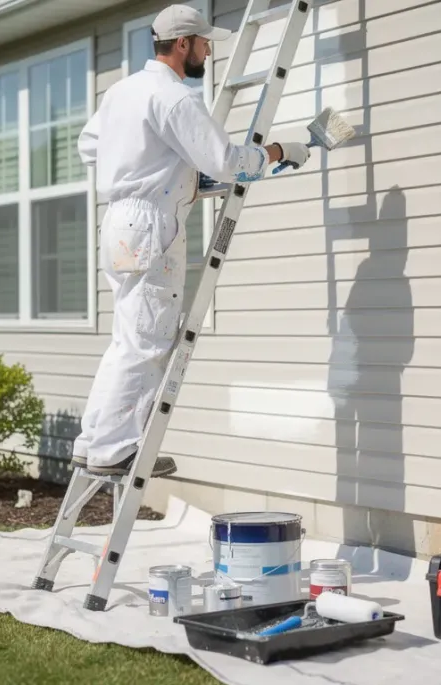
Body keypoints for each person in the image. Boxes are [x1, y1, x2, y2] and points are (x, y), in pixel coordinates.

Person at [70, 4, 310, 477]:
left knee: (127, 336)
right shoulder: (175, 98)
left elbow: (89, 146)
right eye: (202, 43)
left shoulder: (122, 92)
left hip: (118, 223)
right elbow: (225, 161)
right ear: (182, 44)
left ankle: (93, 439)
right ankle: (113, 449)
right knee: (147, 339)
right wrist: (280, 151)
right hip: (151, 224)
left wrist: (167, 171)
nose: (205, 51)